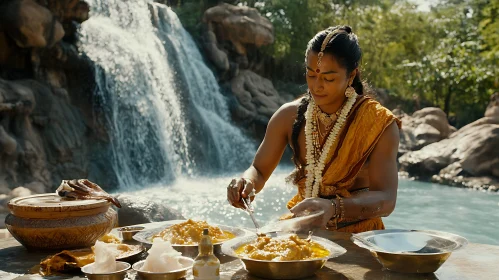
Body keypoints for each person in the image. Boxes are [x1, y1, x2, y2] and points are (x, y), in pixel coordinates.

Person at [226, 25, 401, 233]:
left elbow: (387, 200)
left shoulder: (379, 124)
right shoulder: (288, 116)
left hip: (358, 235)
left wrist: (334, 208)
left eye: (328, 78)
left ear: (352, 75)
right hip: (299, 228)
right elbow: (260, 169)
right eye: (311, 75)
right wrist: (247, 182)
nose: (317, 86)